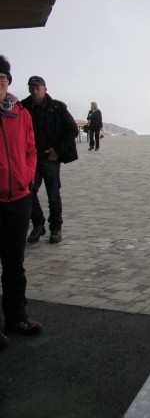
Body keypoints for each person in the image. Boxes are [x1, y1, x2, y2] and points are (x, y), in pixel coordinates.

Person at [0, 55, 43, 349]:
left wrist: (27, 177)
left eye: (2, 80)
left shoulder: (21, 113)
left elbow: (30, 149)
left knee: (15, 263)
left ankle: (16, 316)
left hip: (18, 198)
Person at [21, 76, 78, 244]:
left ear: (45, 89)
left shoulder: (57, 107)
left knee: (53, 195)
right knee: (28, 191)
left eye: (37, 87)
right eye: (31, 88)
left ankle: (56, 227)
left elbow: (72, 130)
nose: (34, 91)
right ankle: (38, 224)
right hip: (31, 159)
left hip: (50, 159)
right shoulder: (24, 107)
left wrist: (57, 150)